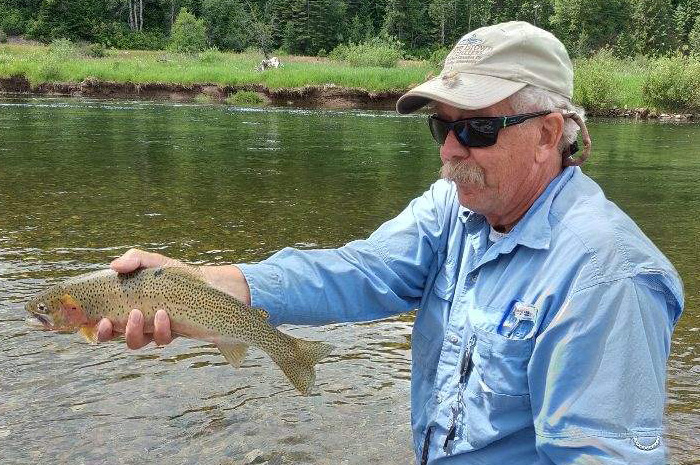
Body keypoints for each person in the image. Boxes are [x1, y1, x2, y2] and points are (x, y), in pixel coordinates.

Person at [97, 21, 683, 464]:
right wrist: (206, 286)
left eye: (476, 129)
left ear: (548, 134)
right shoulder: (456, 208)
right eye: (441, 126)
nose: (450, 150)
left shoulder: (606, 277)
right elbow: (362, 271)